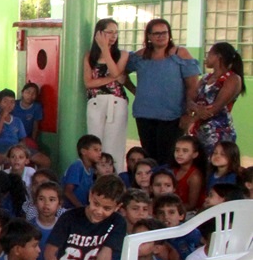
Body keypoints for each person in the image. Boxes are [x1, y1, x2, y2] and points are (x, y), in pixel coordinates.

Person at [125, 19, 200, 166]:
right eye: (157, 33)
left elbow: (192, 86)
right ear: (149, 36)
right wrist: (135, 90)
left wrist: (188, 114)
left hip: (172, 116)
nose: (161, 36)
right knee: (149, 158)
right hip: (144, 115)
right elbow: (122, 73)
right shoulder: (140, 56)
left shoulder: (180, 54)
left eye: (164, 32)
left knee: (169, 158)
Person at [84, 18, 131, 170]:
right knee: (95, 142)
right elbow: (88, 83)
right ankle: (95, 175)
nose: (113, 36)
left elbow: (116, 71)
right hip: (96, 102)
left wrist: (105, 50)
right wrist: (113, 78)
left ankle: (114, 178)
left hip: (116, 103)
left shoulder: (122, 54)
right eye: (109, 32)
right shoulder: (89, 56)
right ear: (99, 33)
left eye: (116, 33)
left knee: (114, 145)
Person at [187, 41, 244, 156]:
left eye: (209, 54)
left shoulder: (232, 79)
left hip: (219, 132)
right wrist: (195, 108)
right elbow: (189, 99)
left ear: (218, 57)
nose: (206, 58)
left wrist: (192, 119)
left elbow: (216, 107)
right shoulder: (205, 78)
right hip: (199, 132)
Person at [62, 134, 102, 210]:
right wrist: (80, 208)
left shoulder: (91, 170)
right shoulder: (77, 166)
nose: (99, 153)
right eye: (96, 150)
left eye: (100, 150)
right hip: (70, 209)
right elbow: (67, 191)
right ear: (83, 151)